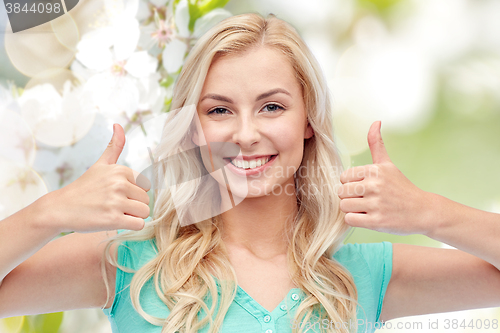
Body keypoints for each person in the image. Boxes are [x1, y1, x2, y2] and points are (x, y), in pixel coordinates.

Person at [1, 12, 499, 333]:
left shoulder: (360, 276)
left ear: (309, 120)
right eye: (219, 111)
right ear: (193, 128)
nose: (245, 133)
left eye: (271, 107)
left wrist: (430, 213)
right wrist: (50, 211)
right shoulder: (127, 265)